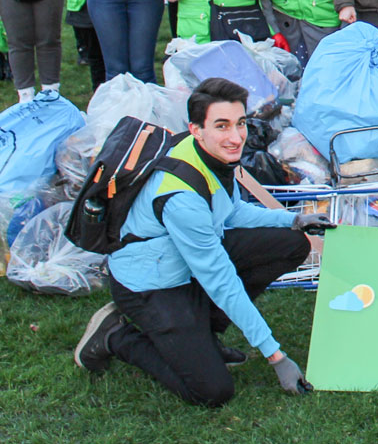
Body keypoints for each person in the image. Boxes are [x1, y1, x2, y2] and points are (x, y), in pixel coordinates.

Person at [72, 77, 322, 407]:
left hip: (183, 263)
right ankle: (115, 336)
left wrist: (292, 220)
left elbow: (230, 211)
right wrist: (277, 357)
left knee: (291, 243)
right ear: (196, 129)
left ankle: (204, 335)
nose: (236, 137)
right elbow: (221, 281)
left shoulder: (207, 154)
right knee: (212, 391)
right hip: (151, 286)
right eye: (222, 126)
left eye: (240, 123)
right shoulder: (181, 199)